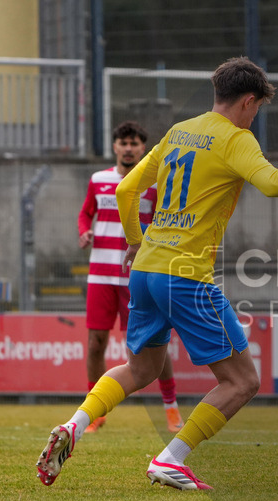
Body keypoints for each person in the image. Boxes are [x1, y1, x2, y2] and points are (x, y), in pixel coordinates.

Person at [36, 56, 278, 490]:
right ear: (248, 102)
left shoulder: (179, 131)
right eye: (257, 109)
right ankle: (170, 459)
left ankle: (74, 425)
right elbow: (271, 183)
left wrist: (136, 241)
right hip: (186, 275)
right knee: (241, 381)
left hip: (146, 270)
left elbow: (125, 189)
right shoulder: (236, 139)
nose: (255, 117)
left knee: (141, 369)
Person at [78, 121, 184, 434]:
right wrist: (84, 231)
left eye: (134, 143)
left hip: (138, 276)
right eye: (123, 142)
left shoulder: (154, 183)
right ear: (115, 147)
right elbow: (86, 212)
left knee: (153, 343)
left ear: (143, 148)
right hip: (100, 275)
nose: (128, 148)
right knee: (96, 343)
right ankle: (94, 414)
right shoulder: (99, 180)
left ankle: (171, 408)